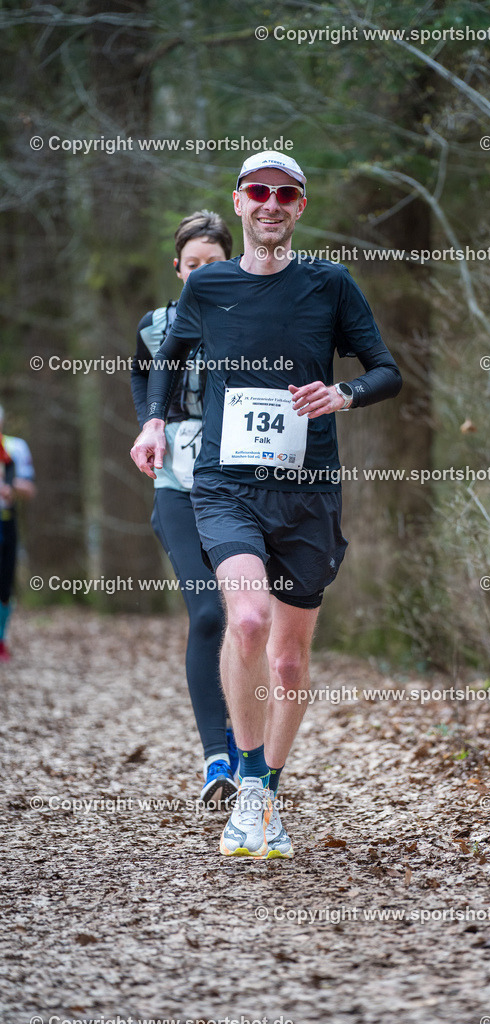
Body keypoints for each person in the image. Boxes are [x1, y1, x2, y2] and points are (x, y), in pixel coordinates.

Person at [131, 152, 402, 858]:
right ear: (240, 201)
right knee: (244, 619)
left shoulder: (329, 285)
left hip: (308, 490)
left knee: (287, 661)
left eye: (285, 193)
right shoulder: (210, 284)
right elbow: (170, 357)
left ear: (299, 207)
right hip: (226, 485)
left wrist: (343, 393)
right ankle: (248, 790)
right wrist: (153, 420)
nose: (271, 202)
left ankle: (270, 788)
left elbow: (385, 370)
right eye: (259, 191)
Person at [130, 210, 239, 806]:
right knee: (206, 616)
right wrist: (154, 424)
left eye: (214, 265)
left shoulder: (250, 322)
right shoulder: (155, 325)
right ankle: (215, 758)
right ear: (178, 270)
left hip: (240, 487)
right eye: (193, 266)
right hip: (176, 487)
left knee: (244, 619)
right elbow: (141, 377)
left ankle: (246, 744)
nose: (202, 274)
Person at [0, 405, 36, 661]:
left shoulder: (15, 447)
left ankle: (1, 639)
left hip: (5, 520)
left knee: (4, 584)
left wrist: (10, 486)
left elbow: (30, 489)